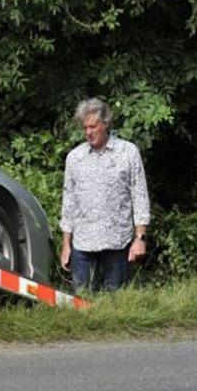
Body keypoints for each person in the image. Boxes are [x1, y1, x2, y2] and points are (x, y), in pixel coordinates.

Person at [59, 98, 150, 292]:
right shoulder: (75, 158)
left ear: (105, 124)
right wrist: (66, 244)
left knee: (115, 302)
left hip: (117, 242)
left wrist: (140, 238)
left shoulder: (128, 152)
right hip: (83, 244)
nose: (89, 132)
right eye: (85, 128)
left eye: (93, 126)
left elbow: (140, 196)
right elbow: (69, 203)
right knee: (82, 301)